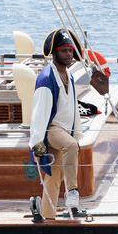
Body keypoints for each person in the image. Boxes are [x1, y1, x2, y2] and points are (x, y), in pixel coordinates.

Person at [29, 29, 82, 219]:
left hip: (65, 130)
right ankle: (73, 192)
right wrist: (37, 143)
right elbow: (39, 111)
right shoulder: (46, 77)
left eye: (70, 50)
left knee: (54, 176)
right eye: (64, 50)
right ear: (54, 53)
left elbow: (74, 107)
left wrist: (76, 135)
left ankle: (48, 215)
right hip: (51, 128)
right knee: (70, 145)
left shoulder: (69, 76)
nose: (68, 54)